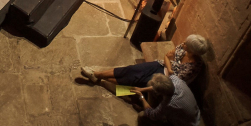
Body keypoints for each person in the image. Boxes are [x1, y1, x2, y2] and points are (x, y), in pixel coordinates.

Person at [80, 35, 210, 91]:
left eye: (187, 44)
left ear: (193, 51)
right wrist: (169, 64)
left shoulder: (194, 67)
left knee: (132, 80)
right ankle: (96, 74)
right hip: (159, 65)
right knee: (130, 70)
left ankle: (99, 79)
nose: (183, 43)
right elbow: (167, 57)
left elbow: (174, 78)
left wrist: (169, 64)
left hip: (164, 79)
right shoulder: (183, 48)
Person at [121, 73, 202, 126]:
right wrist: (142, 89)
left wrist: (141, 97)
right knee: (149, 84)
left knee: (143, 116)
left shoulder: (168, 104)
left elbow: (152, 115)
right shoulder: (175, 79)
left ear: (160, 93)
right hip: (194, 115)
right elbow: (154, 88)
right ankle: (149, 106)